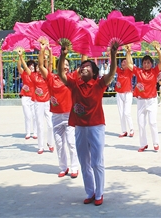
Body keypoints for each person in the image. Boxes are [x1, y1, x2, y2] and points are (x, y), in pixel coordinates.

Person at [58, 41, 118, 206]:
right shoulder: (75, 84)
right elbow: (61, 75)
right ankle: (90, 192)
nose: (83, 68)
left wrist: (113, 54)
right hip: (80, 128)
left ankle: (99, 193)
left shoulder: (99, 84)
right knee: (84, 162)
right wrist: (62, 55)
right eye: (82, 66)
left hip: (96, 127)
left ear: (94, 73)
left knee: (96, 162)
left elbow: (112, 72)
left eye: (87, 66)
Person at [38, 43, 81, 178]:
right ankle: (63, 167)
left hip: (70, 115)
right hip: (56, 116)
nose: (66, 66)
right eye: (64, 64)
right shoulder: (51, 77)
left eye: (68, 64)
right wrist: (43, 48)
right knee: (60, 143)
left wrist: (83, 48)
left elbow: (84, 64)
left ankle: (74, 167)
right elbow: (40, 66)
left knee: (71, 142)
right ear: (59, 65)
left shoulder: (73, 77)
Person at [126, 41, 161, 152]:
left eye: (148, 62)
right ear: (142, 64)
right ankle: (143, 144)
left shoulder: (154, 71)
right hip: (141, 101)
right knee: (141, 124)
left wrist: (158, 51)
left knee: (153, 122)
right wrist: (128, 52)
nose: (146, 64)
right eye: (144, 62)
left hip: (152, 101)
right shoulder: (138, 71)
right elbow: (129, 64)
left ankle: (156, 143)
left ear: (151, 64)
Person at [19, 49, 54, 154]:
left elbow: (50, 64)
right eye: (38, 67)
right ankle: (40, 146)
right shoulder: (33, 76)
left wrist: (49, 53)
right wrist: (21, 56)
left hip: (48, 102)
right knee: (39, 124)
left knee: (51, 125)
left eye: (41, 67)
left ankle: (50, 143)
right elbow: (25, 67)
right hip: (38, 103)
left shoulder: (47, 76)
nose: (39, 68)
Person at [17, 51, 37, 140]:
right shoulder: (24, 74)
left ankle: (35, 132)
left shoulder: (36, 75)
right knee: (27, 115)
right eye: (30, 65)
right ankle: (28, 132)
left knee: (34, 115)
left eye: (33, 65)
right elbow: (19, 66)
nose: (32, 67)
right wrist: (20, 57)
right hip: (25, 96)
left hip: (34, 97)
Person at [115, 48, 134, 138]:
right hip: (119, 94)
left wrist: (128, 52)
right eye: (122, 62)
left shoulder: (129, 71)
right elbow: (113, 65)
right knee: (121, 113)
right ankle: (124, 130)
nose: (124, 63)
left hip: (128, 93)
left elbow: (131, 63)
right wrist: (113, 53)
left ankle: (131, 129)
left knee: (127, 112)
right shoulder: (119, 71)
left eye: (125, 62)